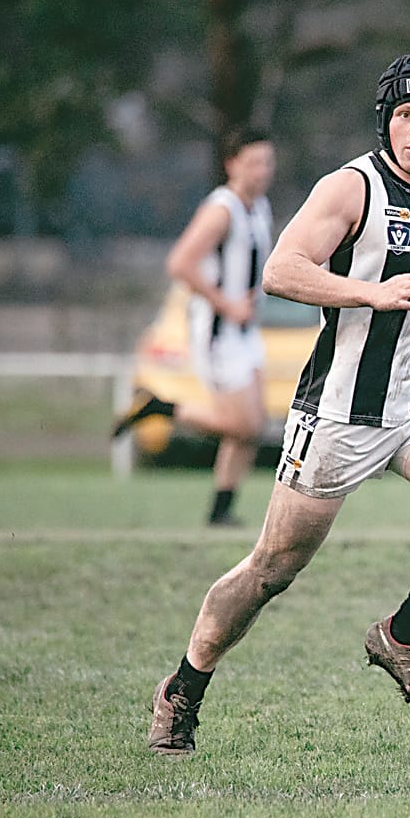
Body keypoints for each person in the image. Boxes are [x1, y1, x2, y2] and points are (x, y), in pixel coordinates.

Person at [146, 54, 410, 755]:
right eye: (406, 116)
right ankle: (183, 689)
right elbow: (281, 270)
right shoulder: (353, 187)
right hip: (338, 414)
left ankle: (403, 635)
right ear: (386, 121)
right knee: (271, 569)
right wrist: (370, 292)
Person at [112, 127, 277, 527]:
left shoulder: (260, 207)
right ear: (232, 164)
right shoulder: (222, 209)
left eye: (267, 162)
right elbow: (180, 263)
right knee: (245, 425)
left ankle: (221, 509)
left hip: (246, 333)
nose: (262, 170)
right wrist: (227, 304)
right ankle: (159, 406)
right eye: (253, 162)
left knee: (252, 429)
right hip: (219, 334)